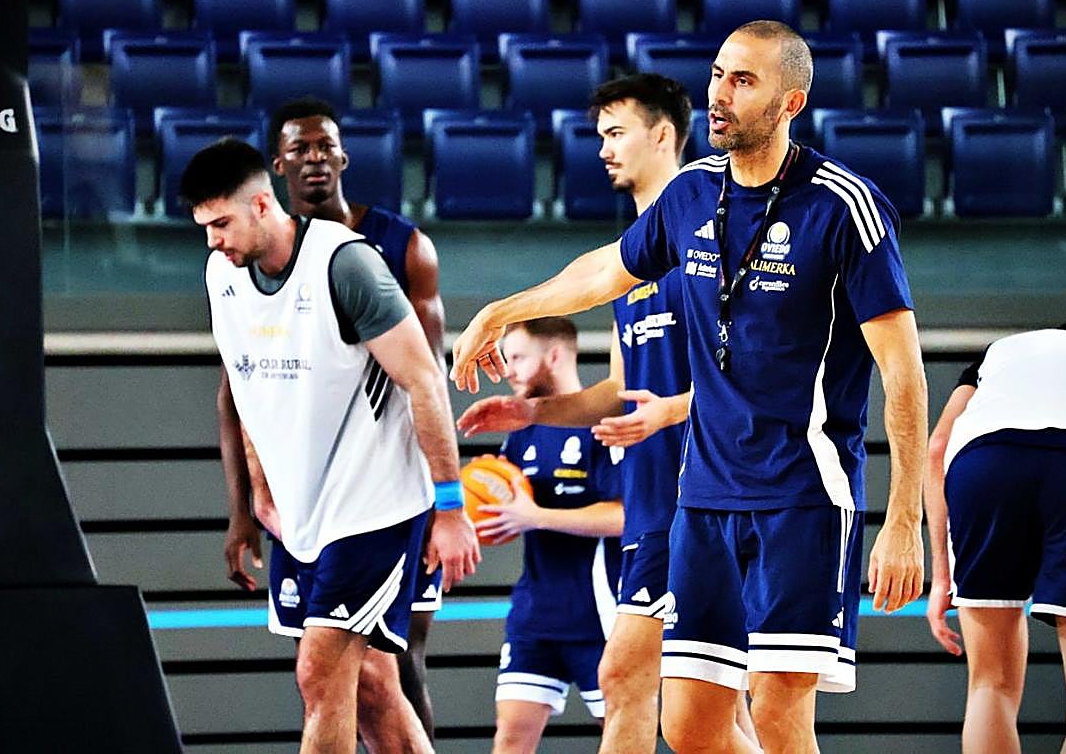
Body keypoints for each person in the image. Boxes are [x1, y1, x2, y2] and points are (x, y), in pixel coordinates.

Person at [451, 20, 928, 754]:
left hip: (803, 494)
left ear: (791, 100)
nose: (720, 95)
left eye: (744, 81)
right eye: (716, 76)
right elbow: (603, 271)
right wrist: (502, 309)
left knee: (775, 710)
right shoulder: (690, 194)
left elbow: (903, 374)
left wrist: (903, 520)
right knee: (690, 727)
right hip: (700, 499)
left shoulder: (843, 206)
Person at [457, 73, 757, 753]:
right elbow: (620, 388)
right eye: (599, 137)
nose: (603, 150)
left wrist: (672, 415)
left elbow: (759, 378)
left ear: (663, 134)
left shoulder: (711, 237)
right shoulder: (633, 259)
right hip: (654, 506)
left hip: (709, 500)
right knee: (708, 709)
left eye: (616, 133)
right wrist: (535, 412)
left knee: (646, 684)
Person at [182, 138, 480, 754]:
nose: (212, 240)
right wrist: (257, 495)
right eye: (203, 227)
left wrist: (450, 508)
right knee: (369, 682)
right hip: (300, 515)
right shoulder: (223, 275)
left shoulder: (345, 265)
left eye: (220, 224)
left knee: (319, 673)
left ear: (263, 204)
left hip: (374, 505)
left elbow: (424, 381)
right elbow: (242, 386)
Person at [925, 316, 1066, 754]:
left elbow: (938, 446)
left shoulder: (1000, 353)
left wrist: (942, 578)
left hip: (982, 466)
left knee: (990, 686)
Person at [476, 318, 624, 754]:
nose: (508, 370)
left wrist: (536, 516)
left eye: (518, 357)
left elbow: (623, 517)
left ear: (554, 356)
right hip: (535, 613)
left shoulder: (603, 424)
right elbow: (511, 511)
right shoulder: (518, 432)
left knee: (620, 735)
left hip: (599, 614)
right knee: (510, 738)